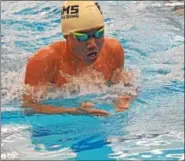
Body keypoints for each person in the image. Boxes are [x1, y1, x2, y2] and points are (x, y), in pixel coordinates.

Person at [23, 1, 135, 117]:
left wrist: (125, 98)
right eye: (82, 37)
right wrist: (72, 111)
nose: (92, 44)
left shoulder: (113, 50)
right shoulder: (44, 61)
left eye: (98, 34)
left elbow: (124, 84)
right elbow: (29, 107)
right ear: (67, 36)